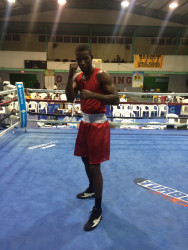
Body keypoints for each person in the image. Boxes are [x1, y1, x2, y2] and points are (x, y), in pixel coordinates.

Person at [66, 44, 119, 231]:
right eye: (79, 59)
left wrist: (93, 95)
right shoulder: (77, 77)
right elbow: (69, 99)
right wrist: (69, 74)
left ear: (92, 57)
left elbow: (116, 98)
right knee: (84, 159)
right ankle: (90, 188)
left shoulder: (101, 75)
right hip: (84, 123)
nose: (82, 62)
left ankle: (97, 209)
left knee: (95, 166)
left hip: (98, 125)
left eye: (85, 58)